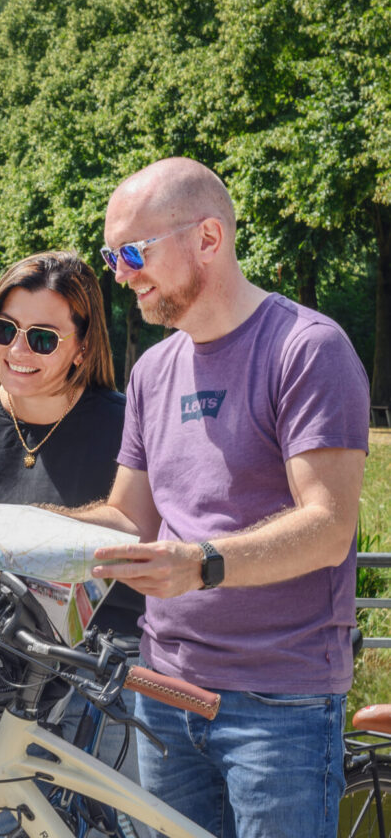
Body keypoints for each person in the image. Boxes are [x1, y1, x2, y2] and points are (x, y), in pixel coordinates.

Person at [80, 158, 369, 838]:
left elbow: (329, 526)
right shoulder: (152, 369)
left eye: (132, 253)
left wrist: (201, 564)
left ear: (208, 237)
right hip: (164, 686)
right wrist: (18, 530)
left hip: (280, 702)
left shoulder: (308, 348)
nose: (120, 275)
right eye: (111, 257)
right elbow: (128, 516)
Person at [0, 250, 143, 835]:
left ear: (82, 346)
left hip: (102, 668)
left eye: (43, 338)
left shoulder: (127, 425)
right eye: (5, 329)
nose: (18, 350)